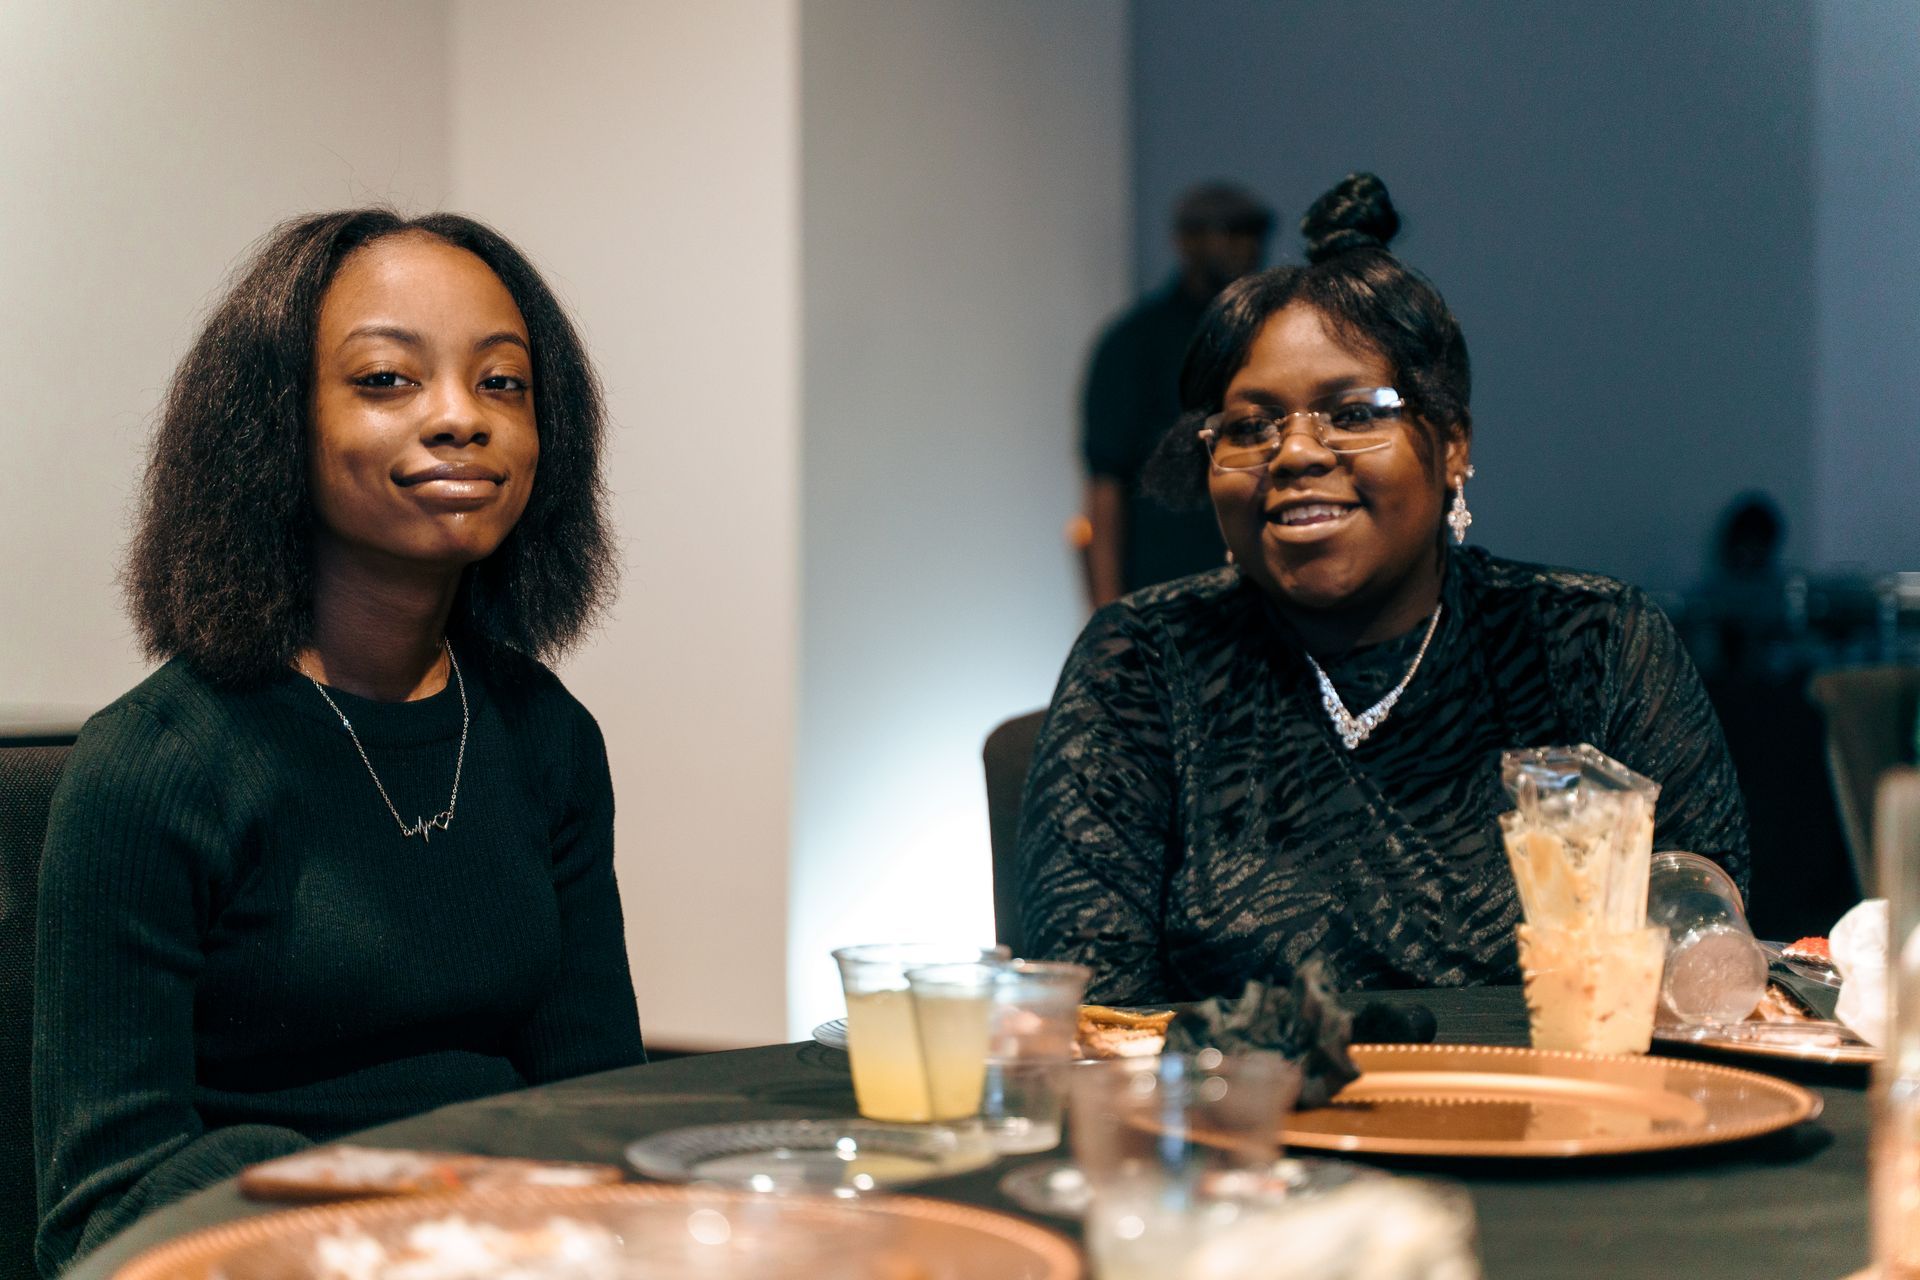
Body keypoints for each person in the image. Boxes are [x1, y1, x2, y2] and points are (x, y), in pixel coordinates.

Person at [33, 211, 643, 1275]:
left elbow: (599, 1109)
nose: (460, 417)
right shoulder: (154, 765)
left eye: (502, 382)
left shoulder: (547, 734)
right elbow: (105, 1209)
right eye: (387, 380)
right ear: (273, 427)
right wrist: (397, 1208)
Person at [1021, 174, 1750, 1005]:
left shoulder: (1594, 647)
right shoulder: (1143, 665)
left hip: (1560, 1091)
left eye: (1353, 413)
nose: (1295, 453)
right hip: (1237, 1095)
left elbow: (1702, 976)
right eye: (1250, 427)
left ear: (1452, 446)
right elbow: (1092, 1016)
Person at [1080, 182, 1274, 608]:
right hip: (1165, 590)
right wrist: (1109, 617)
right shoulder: (1132, 343)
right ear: (1186, 241)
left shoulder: (1274, 335)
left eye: (1252, 232)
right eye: (1228, 232)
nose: (1243, 246)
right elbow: (1105, 484)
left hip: (1265, 585)